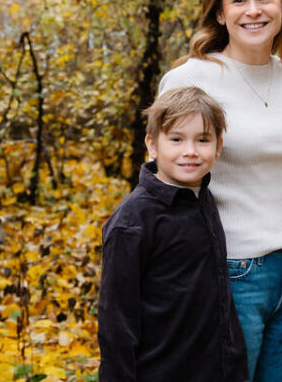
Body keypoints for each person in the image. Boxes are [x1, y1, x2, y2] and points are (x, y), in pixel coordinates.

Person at [158, 0, 282, 382]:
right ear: (220, 13)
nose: (253, 10)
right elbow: (160, 184)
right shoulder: (191, 78)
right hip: (230, 270)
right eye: (238, 0)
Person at [98, 86, 247, 382]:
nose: (190, 151)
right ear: (152, 145)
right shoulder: (133, 220)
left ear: (218, 148)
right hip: (160, 371)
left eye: (202, 140)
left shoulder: (203, 200)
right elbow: (116, 322)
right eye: (176, 139)